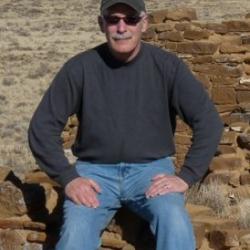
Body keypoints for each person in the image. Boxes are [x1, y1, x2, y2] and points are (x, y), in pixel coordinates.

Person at [28, 0, 223, 249]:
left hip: (151, 172)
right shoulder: (80, 68)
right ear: (101, 24)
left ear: (144, 23)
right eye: (113, 19)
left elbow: (208, 121)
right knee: (75, 233)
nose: (122, 27)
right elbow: (41, 128)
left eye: (130, 19)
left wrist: (186, 176)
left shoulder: (166, 66)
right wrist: (69, 178)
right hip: (94, 174)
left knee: (174, 220)